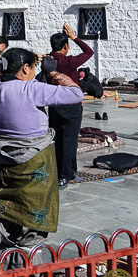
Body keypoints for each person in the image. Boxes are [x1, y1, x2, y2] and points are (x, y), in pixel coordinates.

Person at [0, 47, 84, 250]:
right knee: (31, 224)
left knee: (8, 218)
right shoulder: (32, 89)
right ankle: (27, 274)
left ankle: (6, 269)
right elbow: (76, 93)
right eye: (35, 68)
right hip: (31, 162)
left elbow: (0, 78)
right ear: (25, 67)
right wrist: (53, 72)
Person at [47, 24, 95, 188]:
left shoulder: (48, 61)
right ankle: (66, 175)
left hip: (53, 105)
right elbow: (89, 52)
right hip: (71, 106)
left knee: (55, 139)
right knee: (69, 141)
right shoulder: (69, 62)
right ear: (65, 46)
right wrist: (74, 37)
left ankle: (55, 171)